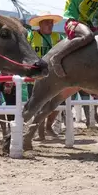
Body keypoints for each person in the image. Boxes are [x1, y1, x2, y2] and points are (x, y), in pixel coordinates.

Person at [26, 12, 64, 140]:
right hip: (35, 77)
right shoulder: (31, 36)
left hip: (53, 77)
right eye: (47, 22)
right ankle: (40, 132)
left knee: (56, 103)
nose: (50, 24)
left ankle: (48, 126)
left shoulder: (58, 37)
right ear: (40, 24)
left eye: (52, 22)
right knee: (37, 105)